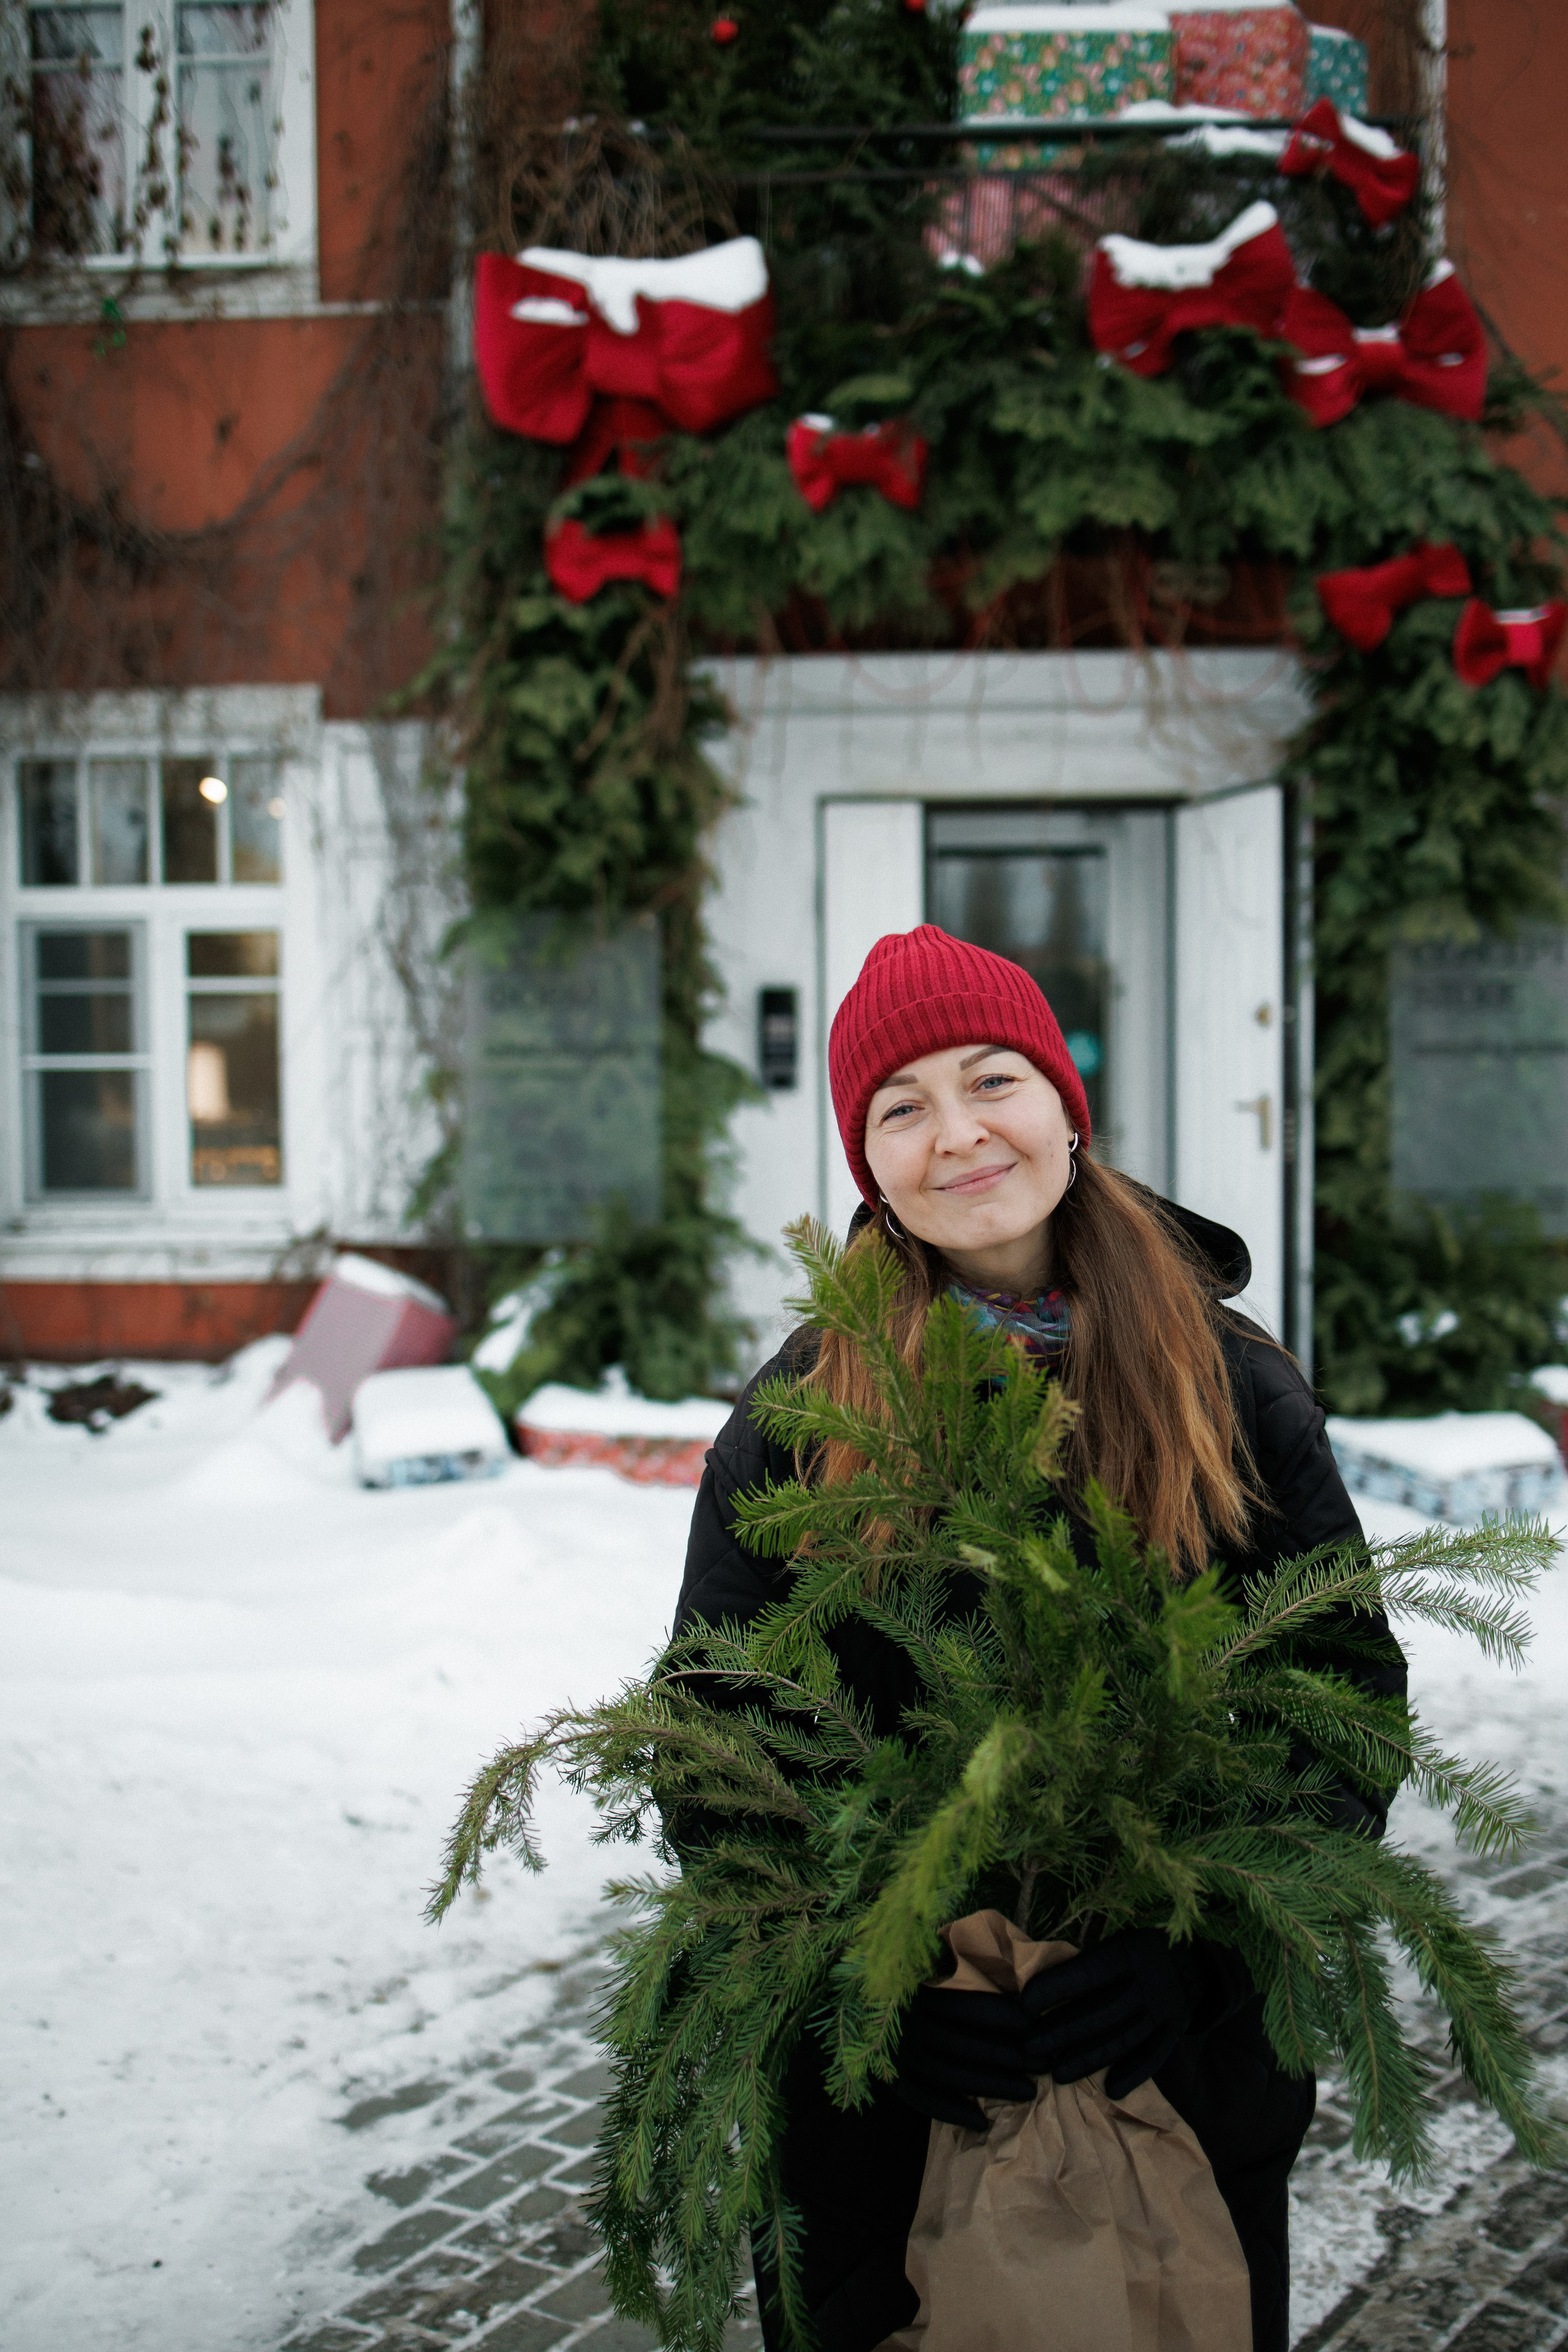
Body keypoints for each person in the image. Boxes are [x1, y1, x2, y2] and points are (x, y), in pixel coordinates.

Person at [675, 924, 1406, 2352]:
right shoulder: (798, 1417)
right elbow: (715, 1741)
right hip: (887, 2115)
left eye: (989, 1079)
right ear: (865, 1160)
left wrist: (1189, 1964)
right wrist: (866, 2002)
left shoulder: (1230, 1384)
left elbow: (1338, 1697)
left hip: (1175, 2077)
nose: (955, 1135)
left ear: (1064, 1104)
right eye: (900, 1106)